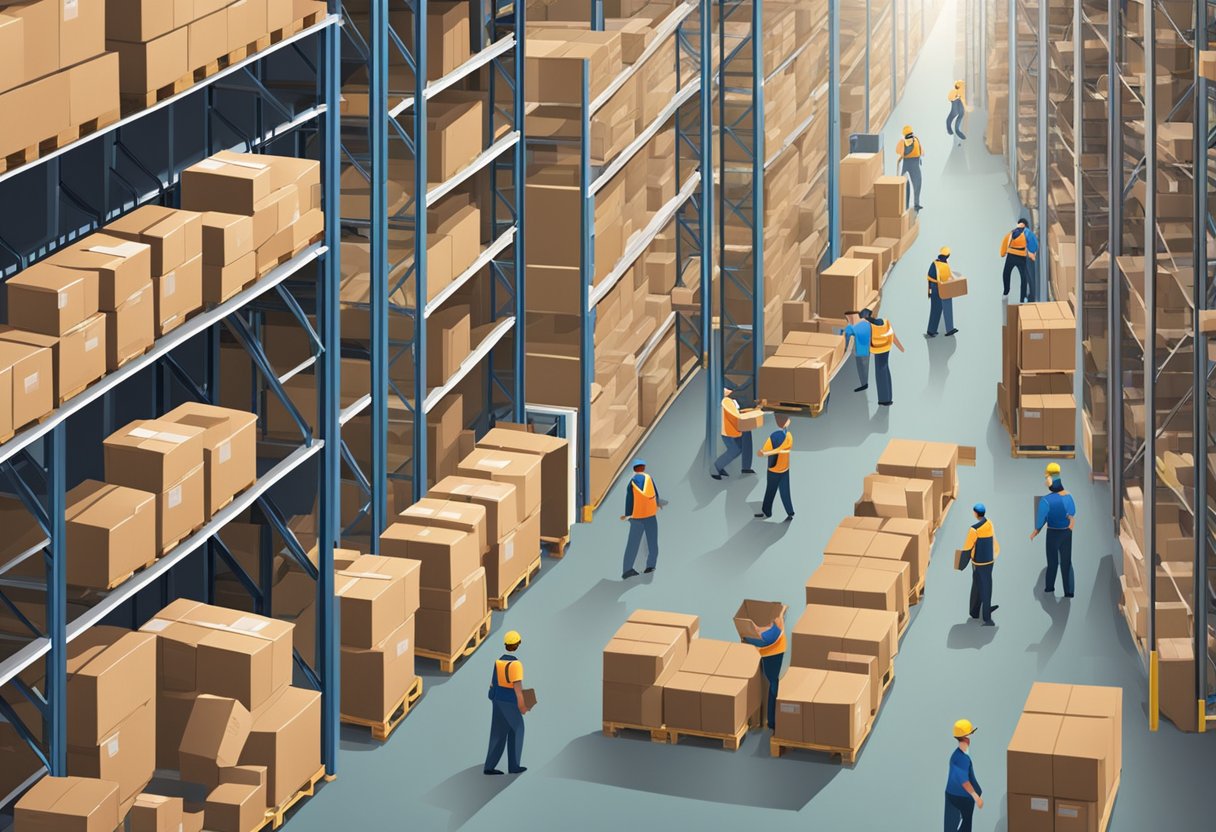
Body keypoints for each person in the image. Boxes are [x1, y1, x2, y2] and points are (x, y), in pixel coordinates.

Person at [484, 631, 529, 775]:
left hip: (497, 699)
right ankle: (514, 766)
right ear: (517, 645)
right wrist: (522, 705)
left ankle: (489, 766)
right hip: (509, 701)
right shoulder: (516, 664)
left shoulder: (498, 662)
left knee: (498, 733)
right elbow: (517, 688)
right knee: (518, 729)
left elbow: (492, 683)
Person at [1031, 469, 1077, 597]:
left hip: (1052, 533)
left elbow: (1041, 518)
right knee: (1066, 562)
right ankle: (1069, 591)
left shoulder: (1045, 500)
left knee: (1052, 562)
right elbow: (1072, 512)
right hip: (1066, 533)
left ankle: (1050, 587)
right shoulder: (1068, 496)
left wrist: (1036, 530)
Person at [742, 612, 786, 730]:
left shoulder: (776, 630)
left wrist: (747, 638)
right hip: (772, 653)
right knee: (771, 682)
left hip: (773, 654)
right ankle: (770, 720)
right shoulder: (776, 623)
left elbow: (765, 640)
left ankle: (772, 721)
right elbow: (767, 629)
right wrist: (756, 629)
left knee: (772, 684)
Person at [620, 459, 661, 578]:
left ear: (634, 469)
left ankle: (627, 570)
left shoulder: (632, 482)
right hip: (650, 515)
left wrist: (628, 515)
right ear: (643, 467)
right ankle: (651, 565)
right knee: (652, 542)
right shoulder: (649, 478)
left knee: (632, 543)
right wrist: (657, 503)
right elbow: (655, 493)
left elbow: (629, 500)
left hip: (637, 517)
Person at [961, 503, 1000, 625]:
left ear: (975, 513)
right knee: (980, 584)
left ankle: (987, 617)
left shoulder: (974, 530)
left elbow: (967, 547)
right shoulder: (990, 523)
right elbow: (993, 539)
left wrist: (961, 563)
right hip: (990, 560)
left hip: (978, 563)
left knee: (984, 587)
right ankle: (975, 611)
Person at [944, 719, 984, 831]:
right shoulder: (962, 759)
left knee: (952, 826)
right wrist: (976, 797)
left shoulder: (957, 755)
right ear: (966, 737)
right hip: (962, 798)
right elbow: (964, 782)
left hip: (955, 796)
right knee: (964, 825)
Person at [862, 308, 905, 406]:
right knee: (885, 369)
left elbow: (866, 340)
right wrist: (901, 348)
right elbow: (893, 335)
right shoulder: (885, 322)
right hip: (886, 347)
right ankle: (888, 397)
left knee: (880, 372)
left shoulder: (868, 326)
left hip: (878, 349)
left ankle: (884, 399)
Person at [755, 414, 794, 521]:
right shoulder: (789, 436)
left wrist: (763, 453)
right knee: (785, 491)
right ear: (787, 422)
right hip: (785, 469)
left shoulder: (773, 436)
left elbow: (765, 450)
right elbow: (784, 448)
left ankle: (767, 512)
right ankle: (790, 512)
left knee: (770, 491)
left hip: (773, 470)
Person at [712, 386, 757, 479]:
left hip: (735, 430)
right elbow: (734, 416)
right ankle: (715, 468)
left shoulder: (733, 401)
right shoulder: (728, 402)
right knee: (735, 450)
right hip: (728, 432)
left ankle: (718, 468)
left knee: (739, 448)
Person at [1000, 219, 1040, 302]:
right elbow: (1033, 243)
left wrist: (1003, 253)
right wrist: (1032, 253)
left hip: (1011, 254)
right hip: (1021, 256)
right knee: (1024, 277)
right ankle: (1023, 297)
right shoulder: (1027, 232)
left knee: (1006, 272)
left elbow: (1005, 240)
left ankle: (1006, 291)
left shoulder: (1012, 232)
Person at [926, 247, 959, 338]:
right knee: (945, 307)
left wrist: (929, 290)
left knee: (936, 309)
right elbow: (947, 276)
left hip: (937, 287)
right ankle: (948, 329)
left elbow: (929, 277)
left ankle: (932, 330)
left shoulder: (935, 263)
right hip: (942, 287)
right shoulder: (942, 265)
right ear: (947, 255)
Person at [896, 125, 924, 210]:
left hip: (915, 163)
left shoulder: (916, 140)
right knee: (904, 185)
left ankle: (916, 204)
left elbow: (920, 149)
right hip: (905, 163)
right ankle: (905, 206)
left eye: (910, 135)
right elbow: (898, 150)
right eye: (907, 136)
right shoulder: (902, 142)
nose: (910, 137)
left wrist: (920, 158)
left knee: (917, 183)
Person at [843, 310, 873, 392]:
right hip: (865, 348)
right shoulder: (867, 324)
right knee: (863, 365)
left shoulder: (851, 327)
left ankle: (864, 383)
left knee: (862, 366)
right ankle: (864, 383)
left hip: (861, 349)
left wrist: (844, 349)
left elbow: (847, 337)